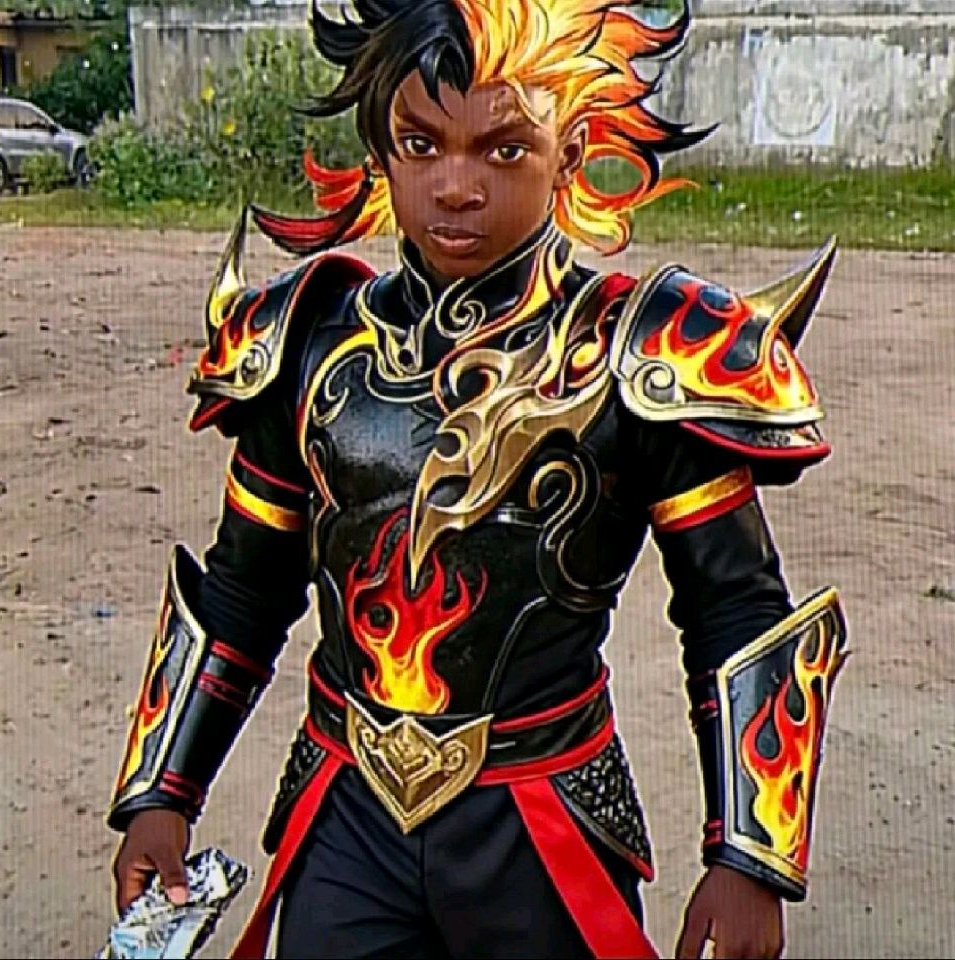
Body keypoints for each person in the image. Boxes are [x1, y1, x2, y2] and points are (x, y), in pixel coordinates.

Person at [107, 1, 849, 957]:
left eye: (503, 150)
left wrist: (750, 854)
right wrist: (163, 792)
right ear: (381, 150)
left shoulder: (645, 352)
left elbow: (734, 607)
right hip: (348, 813)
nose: (456, 187)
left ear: (569, 153)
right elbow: (243, 588)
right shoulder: (307, 344)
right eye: (422, 145)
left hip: (543, 818)